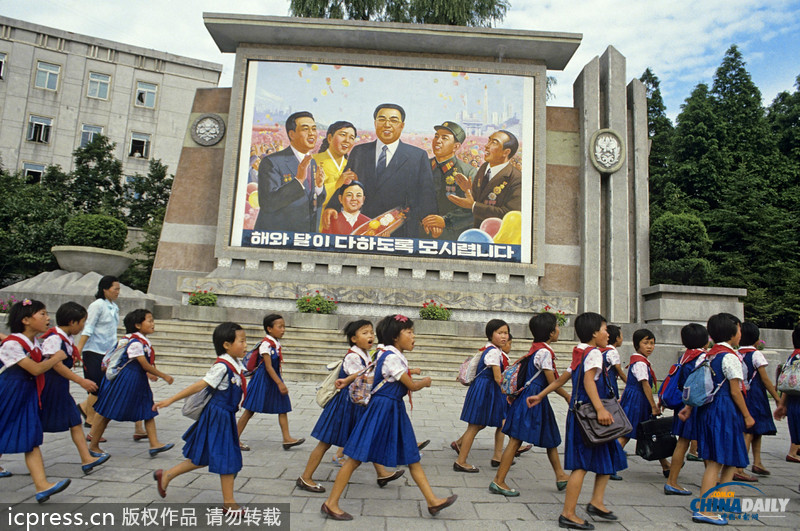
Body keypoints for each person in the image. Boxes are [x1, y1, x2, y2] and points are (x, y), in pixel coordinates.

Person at [321, 314, 457, 520]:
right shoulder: (392, 357)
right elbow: (411, 386)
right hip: (382, 409)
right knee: (355, 458)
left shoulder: (387, 353)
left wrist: (348, 380)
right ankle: (330, 504)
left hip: (393, 409)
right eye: (409, 332)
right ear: (395, 336)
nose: (413, 336)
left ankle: (432, 501)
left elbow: (370, 370)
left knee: (412, 455)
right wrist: (425, 382)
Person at [528, 312, 627, 530]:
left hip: (580, 413)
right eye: (604, 329)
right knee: (581, 466)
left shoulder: (580, 351)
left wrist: (541, 395)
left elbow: (563, 379)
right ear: (594, 333)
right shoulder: (594, 353)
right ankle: (568, 513)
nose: (607, 334)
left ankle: (597, 502)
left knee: (607, 456)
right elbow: (589, 381)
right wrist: (600, 409)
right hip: (591, 416)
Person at [297, 320, 403, 493]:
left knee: (367, 436)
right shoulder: (353, 356)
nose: (370, 336)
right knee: (325, 443)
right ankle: (305, 477)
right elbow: (362, 376)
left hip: (356, 405)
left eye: (371, 332)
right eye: (365, 333)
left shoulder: (366, 354)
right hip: (344, 406)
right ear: (354, 339)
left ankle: (382, 473)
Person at [153, 322, 249, 511]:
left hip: (225, 416)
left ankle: (167, 475)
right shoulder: (222, 367)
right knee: (227, 456)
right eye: (242, 341)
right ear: (226, 345)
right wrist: (171, 399)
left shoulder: (235, 365)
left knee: (205, 455)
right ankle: (229, 503)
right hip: (218, 417)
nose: (245, 345)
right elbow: (200, 385)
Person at [679, 313, 754, 525]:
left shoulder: (707, 355)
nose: (740, 334)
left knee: (730, 458)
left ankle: (722, 501)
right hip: (724, 410)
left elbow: (700, 384)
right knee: (716, 461)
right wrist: (747, 415)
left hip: (709, 410)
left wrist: (688, 407)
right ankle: (705, 509)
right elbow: (735, 391)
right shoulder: (730, 357)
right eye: (739, 329)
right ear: (732, 332)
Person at [323, 103, 437, 239]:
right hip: (362, 228)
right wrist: (333, 206)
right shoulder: (359, 152)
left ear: (402, 126)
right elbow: (346, 184)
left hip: (401, 229)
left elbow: (427, 194)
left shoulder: (417, 156)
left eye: (393, 120)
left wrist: (431, 220)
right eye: (382, 119)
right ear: (375, 123)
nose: (387, 125)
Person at [491, 312, 570, 497]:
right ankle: (498, 481)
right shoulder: (545, 353)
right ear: (550, 332)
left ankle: (560, 475)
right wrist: (567, 395)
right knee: (516, 440)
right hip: (534, 399)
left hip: (533, 399)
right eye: (557, 327)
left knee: (550, 437)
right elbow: (552, 382)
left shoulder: (536, 349)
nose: (558, 330)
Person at [0, 300, 72, 502]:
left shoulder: (33, 343)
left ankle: (42, 486)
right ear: (26, 320)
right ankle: (42, 485)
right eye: (42, 314)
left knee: (30, 437)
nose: (48, 318)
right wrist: (56, 358)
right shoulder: (13, 344)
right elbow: (36, 369)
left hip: (25, 394)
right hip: (8, 394)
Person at [88, 309, 175, 457]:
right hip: (126, 381)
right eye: (149, 321)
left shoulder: (139, 341)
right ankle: (93, 446)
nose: (153, 324)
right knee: (108, 412)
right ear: (137, 325)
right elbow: (144, 364)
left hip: (137, 381)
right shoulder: (135, 343)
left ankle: (154, 443)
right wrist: (163, 375)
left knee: (148, 409)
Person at [39, 302, 110, 474]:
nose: (83, 326)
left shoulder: (66, 338)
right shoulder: (54, 339)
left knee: (75, 421)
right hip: (47, 387)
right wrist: (81, 381)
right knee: (28, 423)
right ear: (72, 322)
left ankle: (87, 459)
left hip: (60, 387)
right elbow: (56, 365)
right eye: (82, 322)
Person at [237, 314, 304, 451]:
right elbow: (268, 367)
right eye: (280, 327)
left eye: (284, 326)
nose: (283, 330)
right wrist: (280, 383)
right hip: (263, 380)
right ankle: (234, 438)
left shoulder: (275, 343)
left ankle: (287, 438)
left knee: (283, 407)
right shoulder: (266, 345)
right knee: (250, 410)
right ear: (269, 328)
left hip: (273, 379)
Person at [452, 319, 510, 473]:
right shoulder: (493, 352)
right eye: (500, 333)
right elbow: (497, 377)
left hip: (486, 390)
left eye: (506, 333)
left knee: (479, 425)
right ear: (490, 335)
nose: (504, 336)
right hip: (486, 390)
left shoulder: (492, 349)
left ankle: (463, 451)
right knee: (474, 426)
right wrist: (509, 391)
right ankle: (461, 461)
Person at [254, 111, 326, 233]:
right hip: (278, 234)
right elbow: (268, 203)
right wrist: (298, 180)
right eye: (305, 129)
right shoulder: (272, 162)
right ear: (292, 134)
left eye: (314, 129)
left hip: (304, 234)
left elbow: (312, 202)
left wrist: (319, 187)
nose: (312, 133)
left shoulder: (312, 162)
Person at [617, 329, 671, 478]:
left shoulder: (640, 361)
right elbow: (645, 384)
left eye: (652, 343)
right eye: (645, 343)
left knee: (651, 431)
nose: (649, 347)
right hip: (637, 402)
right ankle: (609, 464)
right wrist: (653, 406)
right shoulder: (640, 363)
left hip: (637, 400)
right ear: (637, 344)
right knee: (627, 434)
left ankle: (665, 465)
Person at [664, 323, 707, 496]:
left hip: (683, 402)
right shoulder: (702, 357)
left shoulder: (685, 356)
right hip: (695, 405)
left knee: (682, 442)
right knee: (701, 441)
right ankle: (711, 480)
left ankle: (672, 481)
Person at [447, 130, 521, 229]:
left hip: (496, 233)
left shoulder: (516, 178)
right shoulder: (484, 167)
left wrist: (473, 206)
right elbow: (479, 198)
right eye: (489, 141)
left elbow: (509, 215)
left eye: (494, 142)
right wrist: (468, 191)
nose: (486, 146)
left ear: (506, 152)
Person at [77, 275, 122, 435]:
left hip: (107, 353)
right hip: (93, 350)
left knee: (104, 386)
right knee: (95, 386)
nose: (117, 292)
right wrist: (79, 349)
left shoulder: (113, 307)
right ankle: (90, 420)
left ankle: (84, 407)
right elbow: (88, 327)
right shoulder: (97, 305)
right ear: (105, 289)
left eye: (118, 289)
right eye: (115, 289)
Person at [421, 121, 477, 240]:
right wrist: (428, 221)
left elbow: (474, 208)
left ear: (456, 146)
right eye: (436, 136)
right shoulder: (421, 166)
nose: (438, 141)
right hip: (421, 230)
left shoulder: (468, 172)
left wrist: (445, 221)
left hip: (452, 234)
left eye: (444, 138)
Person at [738, 322, 779, 478]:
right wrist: (777, 398)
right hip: (755, 396)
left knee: (756, 430)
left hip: (742, 393)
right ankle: (739, 468)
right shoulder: (756, 355)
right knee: (749, 431)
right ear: (756, 339)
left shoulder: (736, 354)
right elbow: (765, 379)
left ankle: (758, 462)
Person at [313, 120, 358, 225]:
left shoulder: (350, 165)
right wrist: (338, 184)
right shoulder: (313, 160)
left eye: (351, 138)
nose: (347, 140)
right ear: (330, 138)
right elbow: (307, 198)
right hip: (318, 221)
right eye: (343, 135)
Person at [774, 324, 800, 464]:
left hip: (794, 400)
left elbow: (788, 384)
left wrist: (782, 404)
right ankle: (793, 453)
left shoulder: (793, 356)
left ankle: (794, 451)